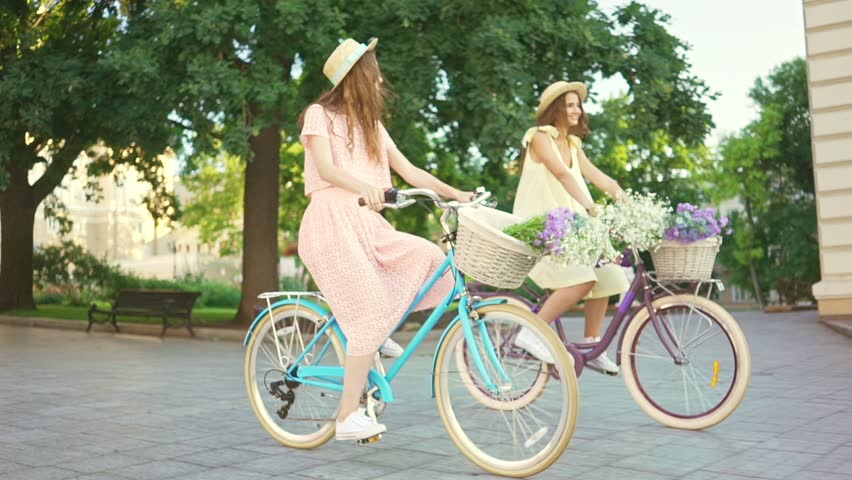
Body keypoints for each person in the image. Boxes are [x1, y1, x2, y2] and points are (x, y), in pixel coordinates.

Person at [297, 38, 473, 441]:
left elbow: (411, 172)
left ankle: (375, 332)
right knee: (371, 308)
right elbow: (325, 168)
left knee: (429, 259)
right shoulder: (318, 116)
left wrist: (457, 194)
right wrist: (364, 186)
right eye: (373, 71)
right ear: (356, 77)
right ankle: (346, 418)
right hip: (331, 224)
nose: (379, 79)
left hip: (368, 226)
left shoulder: (372, 127)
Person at [512, 81, 629, 375]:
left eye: (578, 105)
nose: (577, 110)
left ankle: (592, 343)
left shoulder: (574, 146)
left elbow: (597, 176)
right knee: (582, 279)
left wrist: (626, 200)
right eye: (570, 105)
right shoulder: (539, 138)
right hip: (543, 230)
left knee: (609, 274)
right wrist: (591, 207)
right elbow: (562, 175)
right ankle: (530, 331)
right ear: (556, 109)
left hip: (569, 231)